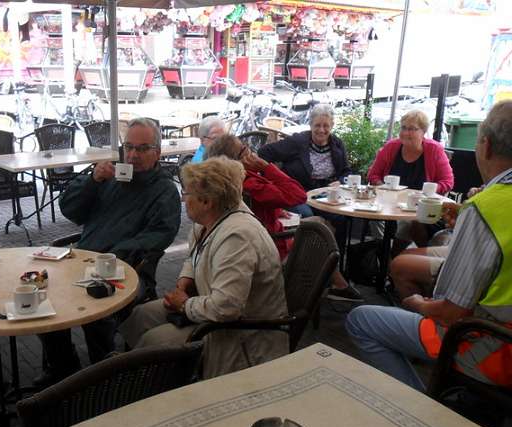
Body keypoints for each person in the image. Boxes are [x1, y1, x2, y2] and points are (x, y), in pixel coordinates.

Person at [346, 100, 512, 392]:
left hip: (491, 347)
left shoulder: (486, 207)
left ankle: (421, 405)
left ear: (485, 146)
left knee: (360, 319)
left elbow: (450, 312)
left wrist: (419, 305)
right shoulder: (486, 206)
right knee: (405, 260)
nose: (407, 133)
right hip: (495, 327)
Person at [119, 157, 288, 379]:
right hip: (209, 304)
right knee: (141, 315)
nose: (183, 199)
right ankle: (135, 373)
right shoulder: (210, 220)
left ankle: (142, 380)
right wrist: (185, 280)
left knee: (154, 341)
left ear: (207, 201)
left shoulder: (238, 237)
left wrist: (184, 305)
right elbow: (194, 256)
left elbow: (226, 308)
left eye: (186, 193)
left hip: (241, 334)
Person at [39, 118, 181, 382]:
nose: (133, 155)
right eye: (129, 147)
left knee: (97, 312)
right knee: (44, 298)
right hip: (82, 260)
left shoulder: (164, 191)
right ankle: (63, 366)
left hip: (128, 268)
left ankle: (104, 376)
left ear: (157, 153)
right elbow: (70, 210)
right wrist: (92, 180)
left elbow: (159, 235)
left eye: (142, 148)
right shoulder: (111, 177)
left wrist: (112, 255)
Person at [206, 134, 362, 300]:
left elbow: (256, 205)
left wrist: (275, 209)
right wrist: (267, 167)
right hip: (272, 247)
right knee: (319, 230)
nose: (250, 150)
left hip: (266, 237)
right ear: (236, 161)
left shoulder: (231, 183)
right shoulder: (250, 184)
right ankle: (319, 287)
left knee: (319, 224)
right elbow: (299, 195)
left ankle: (335, 282)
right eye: (245, 148)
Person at [367, 109, 454, 252]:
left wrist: (430, 190)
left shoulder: (434, 149)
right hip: (389, 203)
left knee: (407, 223)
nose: (406, 133)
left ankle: (395, 257)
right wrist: (383, 187)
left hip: (419, 207)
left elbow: (448, 181)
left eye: (412, 129)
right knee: (374, 218)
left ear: (423, 131)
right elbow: (373, 175)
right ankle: (383, 253)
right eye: (403, 128)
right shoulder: (391, 147)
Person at [258, 104, 352, 217]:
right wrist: (271, 180)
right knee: (307, 215)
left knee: (341, 216)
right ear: (310, 125)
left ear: (332, 125)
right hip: (296, 193)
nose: (321, 130)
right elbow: (264, 152)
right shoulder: (297, 142)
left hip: (324, 195)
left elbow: (347, 172)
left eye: (326, 126)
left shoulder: (337, 144)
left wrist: (340, 182)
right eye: (317, 125)